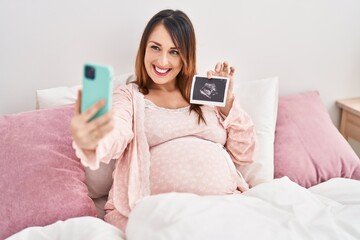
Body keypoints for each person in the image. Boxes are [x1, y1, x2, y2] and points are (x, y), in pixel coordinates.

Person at [70, 9, 256, 231]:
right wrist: (95, 137)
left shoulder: (205, 93)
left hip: (223, 206)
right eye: (155, 47)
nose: (163, 60)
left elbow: (244, 153)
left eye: (174, 51)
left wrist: (226, 103)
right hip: (160, 216)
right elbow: (116, 132)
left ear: (186, 55)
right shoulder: (130, 95)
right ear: (144, 49)